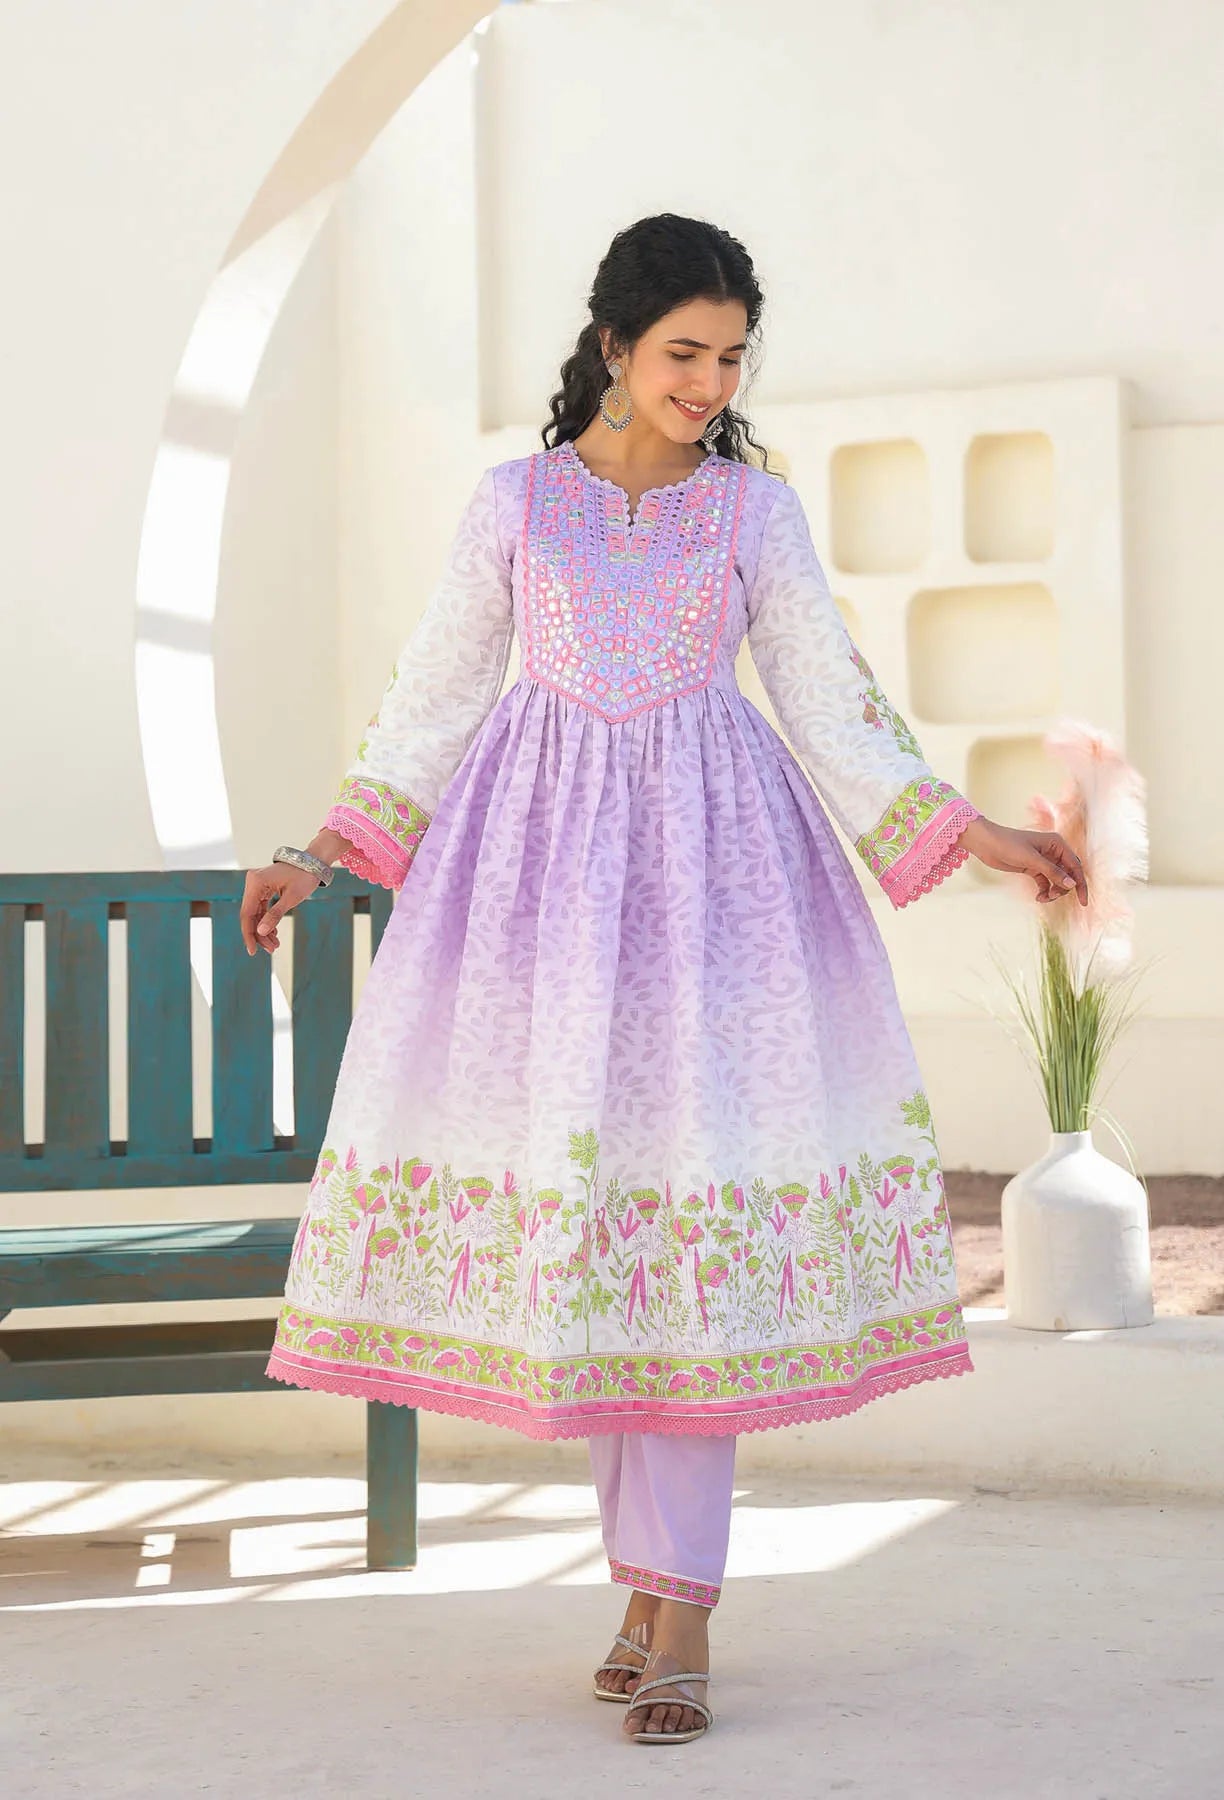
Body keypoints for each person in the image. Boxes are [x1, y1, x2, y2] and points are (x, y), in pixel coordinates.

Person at [241, 213, 1087, 1746]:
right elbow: (437, 689)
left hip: (719, 893)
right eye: (684, 352)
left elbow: (831, 697)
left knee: (690, 1230)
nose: (709, 382)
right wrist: (322, 848)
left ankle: (683, 1611)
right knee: (604, 1235)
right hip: (543, 902)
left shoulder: (754, 513)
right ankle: (642, 1590)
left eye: (732, 357)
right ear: (615, 346)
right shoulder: (513, 505)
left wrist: (979, 835)